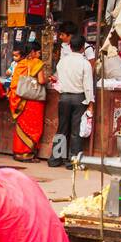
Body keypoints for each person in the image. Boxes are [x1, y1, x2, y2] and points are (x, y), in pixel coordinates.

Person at [48, 34, 93, 168]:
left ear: (70, 47)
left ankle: (56, 159)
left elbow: (59, 81)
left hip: (64, 98)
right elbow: (88, 86)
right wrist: (91, 102)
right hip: (79, 98)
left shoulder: (63, 62)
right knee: (75, 131)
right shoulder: (85, 63)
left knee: (61, 129)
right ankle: (72, 161)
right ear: (83, 48)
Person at [9, 40, 48, 163]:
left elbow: (14, 83)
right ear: (32, 52)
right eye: (38, 52)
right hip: (34, 101)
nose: (39, 54)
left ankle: (18, 152)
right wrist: (48, 79)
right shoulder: (37, 63)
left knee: (21, 126)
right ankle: (28, 154)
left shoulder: (20, 64)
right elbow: (41, 81)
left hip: (21, 100)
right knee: (34, 127)